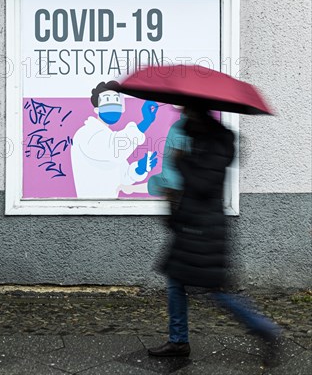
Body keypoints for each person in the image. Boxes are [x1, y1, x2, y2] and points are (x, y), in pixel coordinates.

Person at [148, 106, 282, 364]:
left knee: (218, 291)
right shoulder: (201, 138)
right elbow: (193, 187)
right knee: (176, 280)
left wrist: (181, 162)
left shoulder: (216, 142)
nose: (183, 113)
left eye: (187, 109)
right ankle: (178, 340)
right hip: (193, 225)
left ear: (199, 113)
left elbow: (203, 185)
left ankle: (266, 330)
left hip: (204, 230)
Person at [71, 81, 159, 198]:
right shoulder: (87, 134)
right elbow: (115, 150)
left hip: (110, 208)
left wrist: (139, 169)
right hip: (92, 208)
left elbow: (123, 178)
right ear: (97, 109)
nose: (113, 105)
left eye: (116, 100)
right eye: (107, 100)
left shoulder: (107, 136)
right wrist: (144, 123)